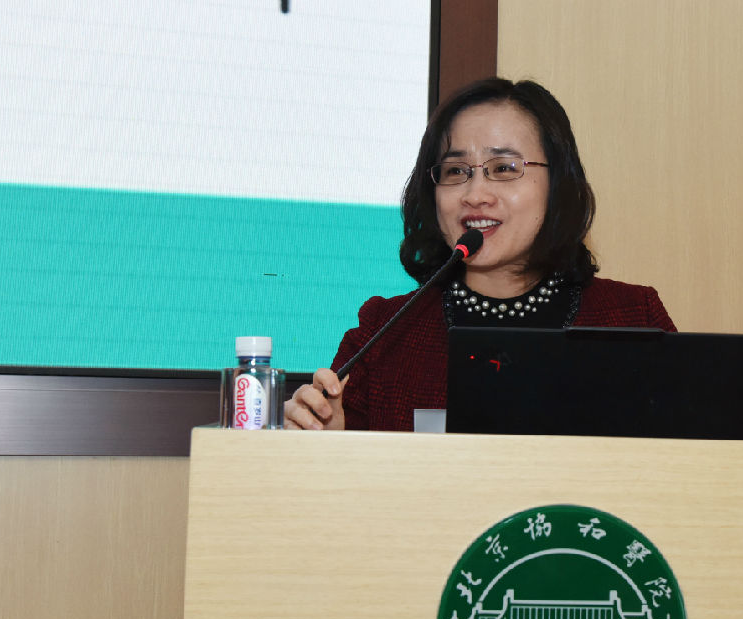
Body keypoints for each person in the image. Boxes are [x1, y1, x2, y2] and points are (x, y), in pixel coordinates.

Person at [283, 77, 675, 431]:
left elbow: (692, 464)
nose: (475, 195)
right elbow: (337, 477)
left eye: (503, 168)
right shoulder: (384, 332)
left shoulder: (634, 320)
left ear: (557, 183)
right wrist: (326, 441)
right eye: (456, 171)